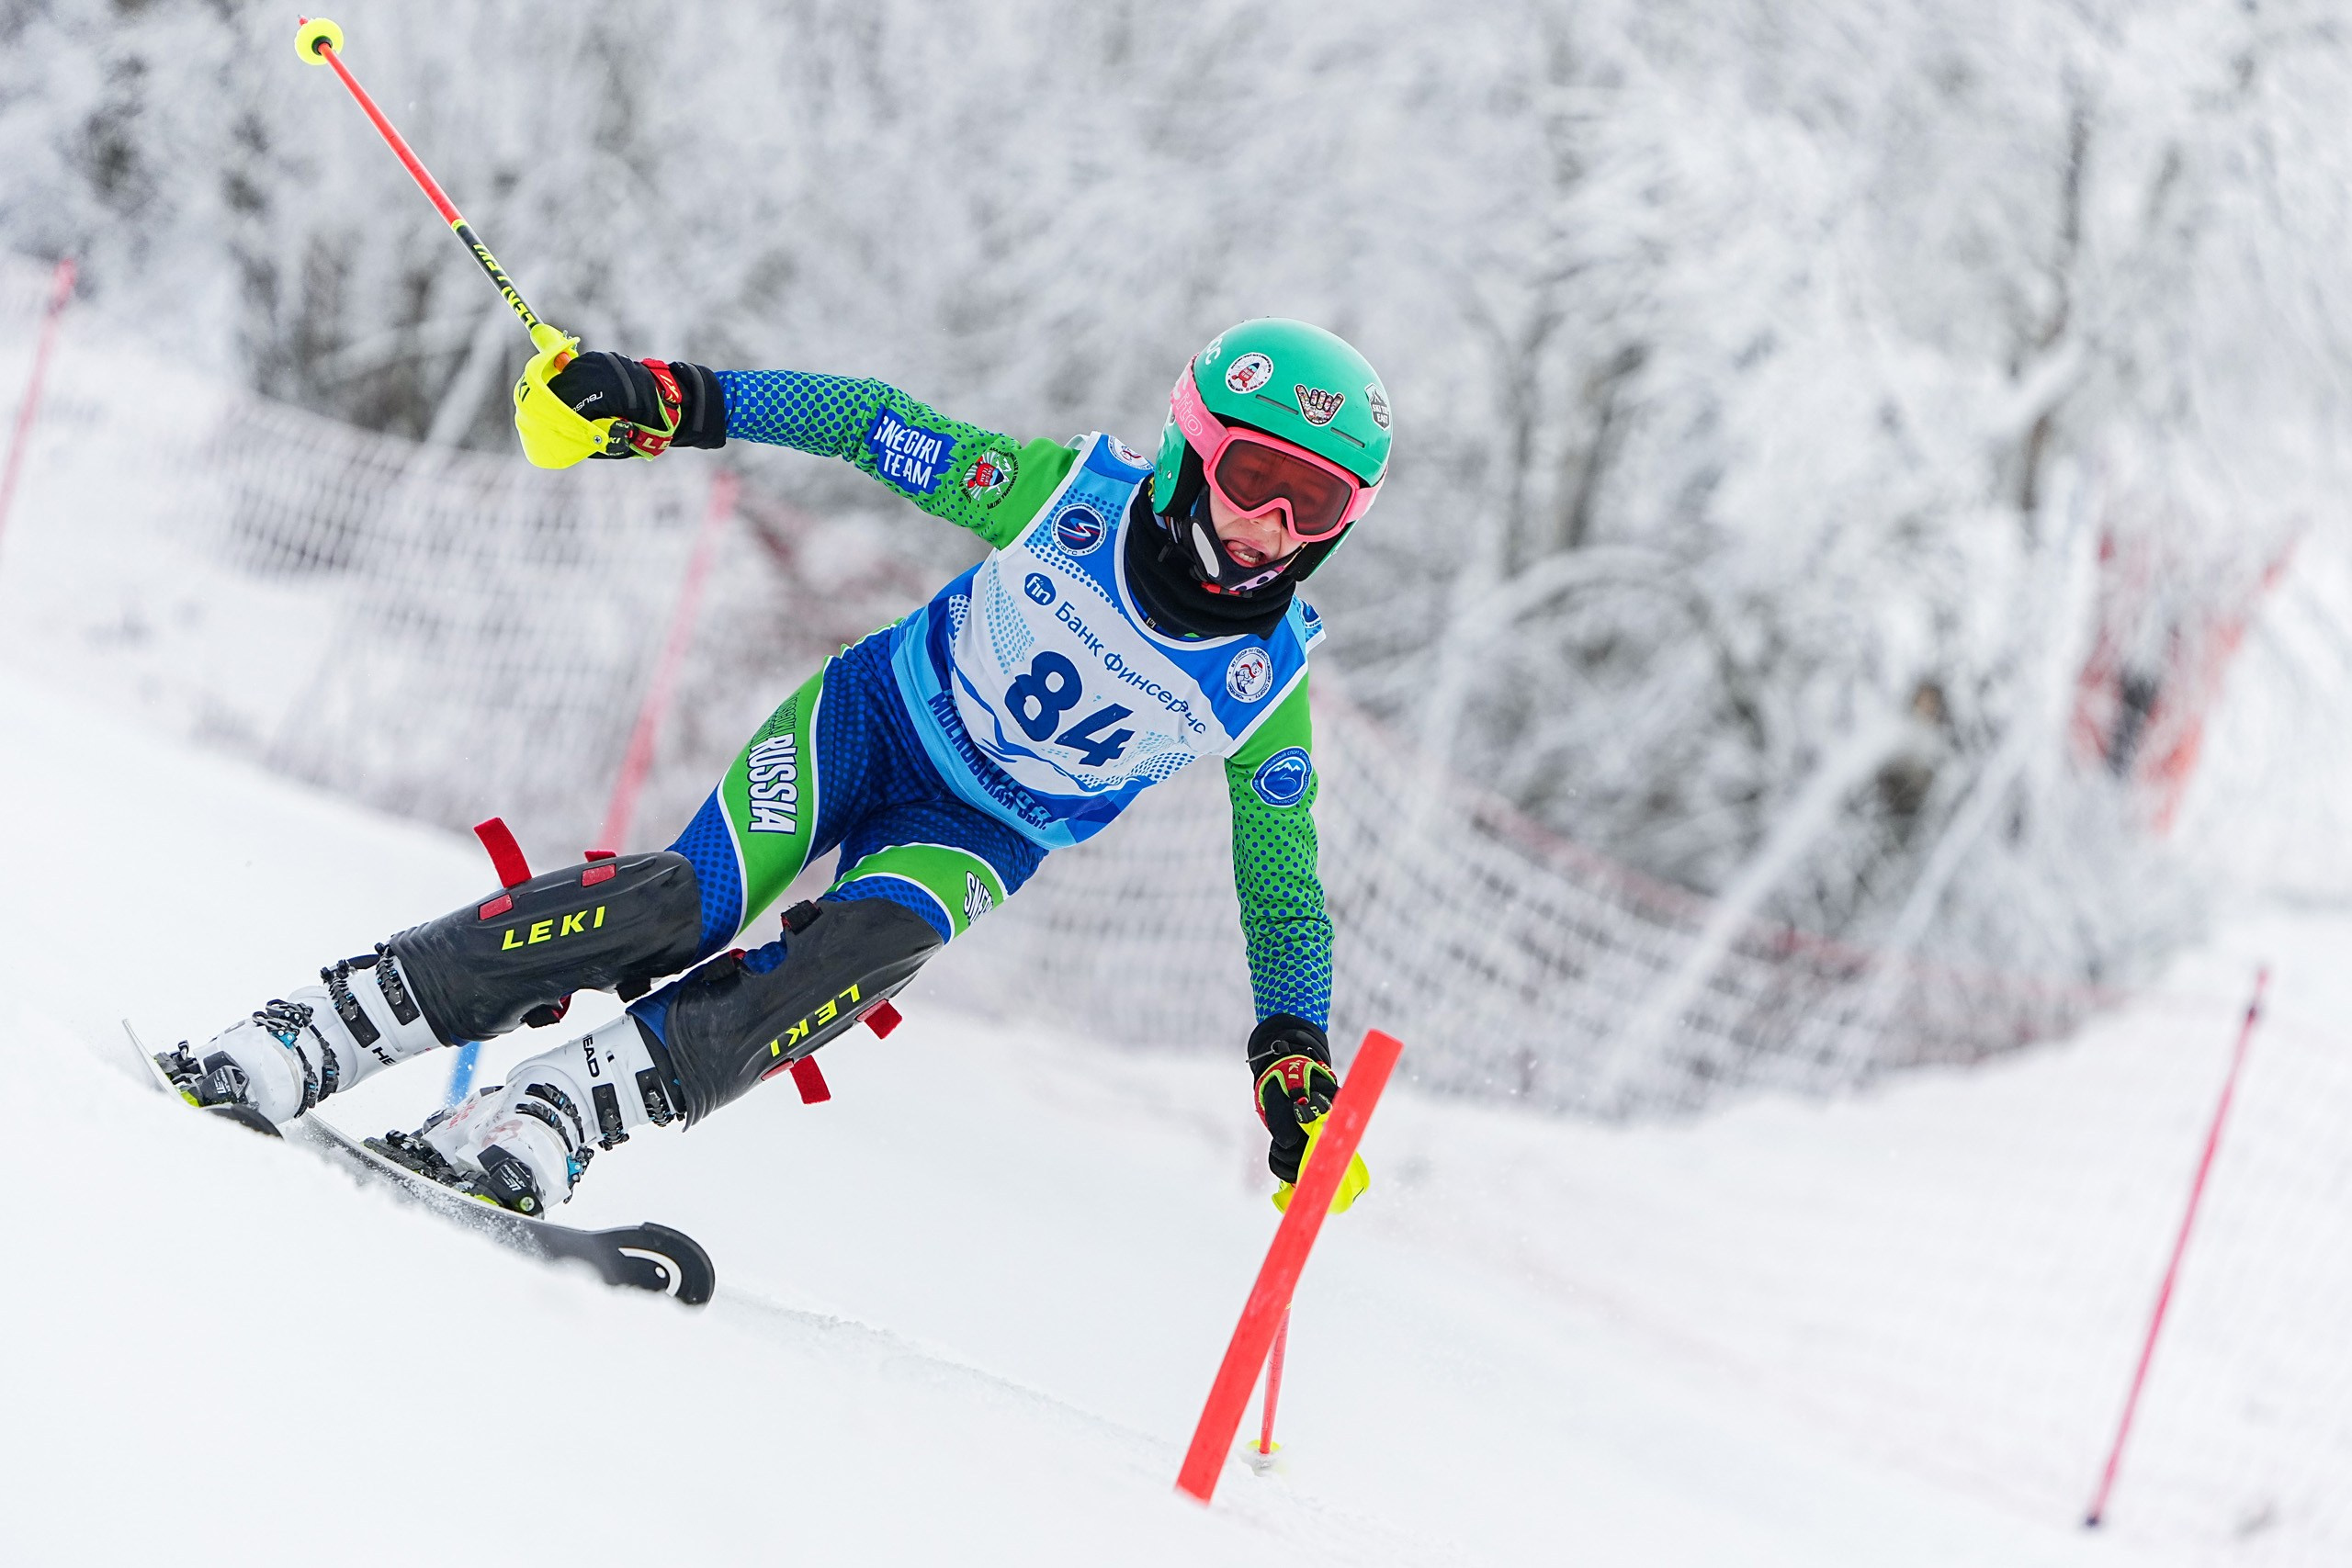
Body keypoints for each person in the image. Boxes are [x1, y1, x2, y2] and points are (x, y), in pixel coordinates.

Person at [152, 318, 1390, 1217]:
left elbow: (1284, 891)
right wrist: (667, 398)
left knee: (861, 951)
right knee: (687, 905)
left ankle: (559, 1110)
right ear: (1189, 452)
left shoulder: (1267, 686)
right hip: (875, 725)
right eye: (1256, 480)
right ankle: (326, 1026)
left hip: (979, 835)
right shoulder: (1062, 497)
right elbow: (864, 422)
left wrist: (1293, 1052)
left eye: (1316, 507)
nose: (1273, 530)